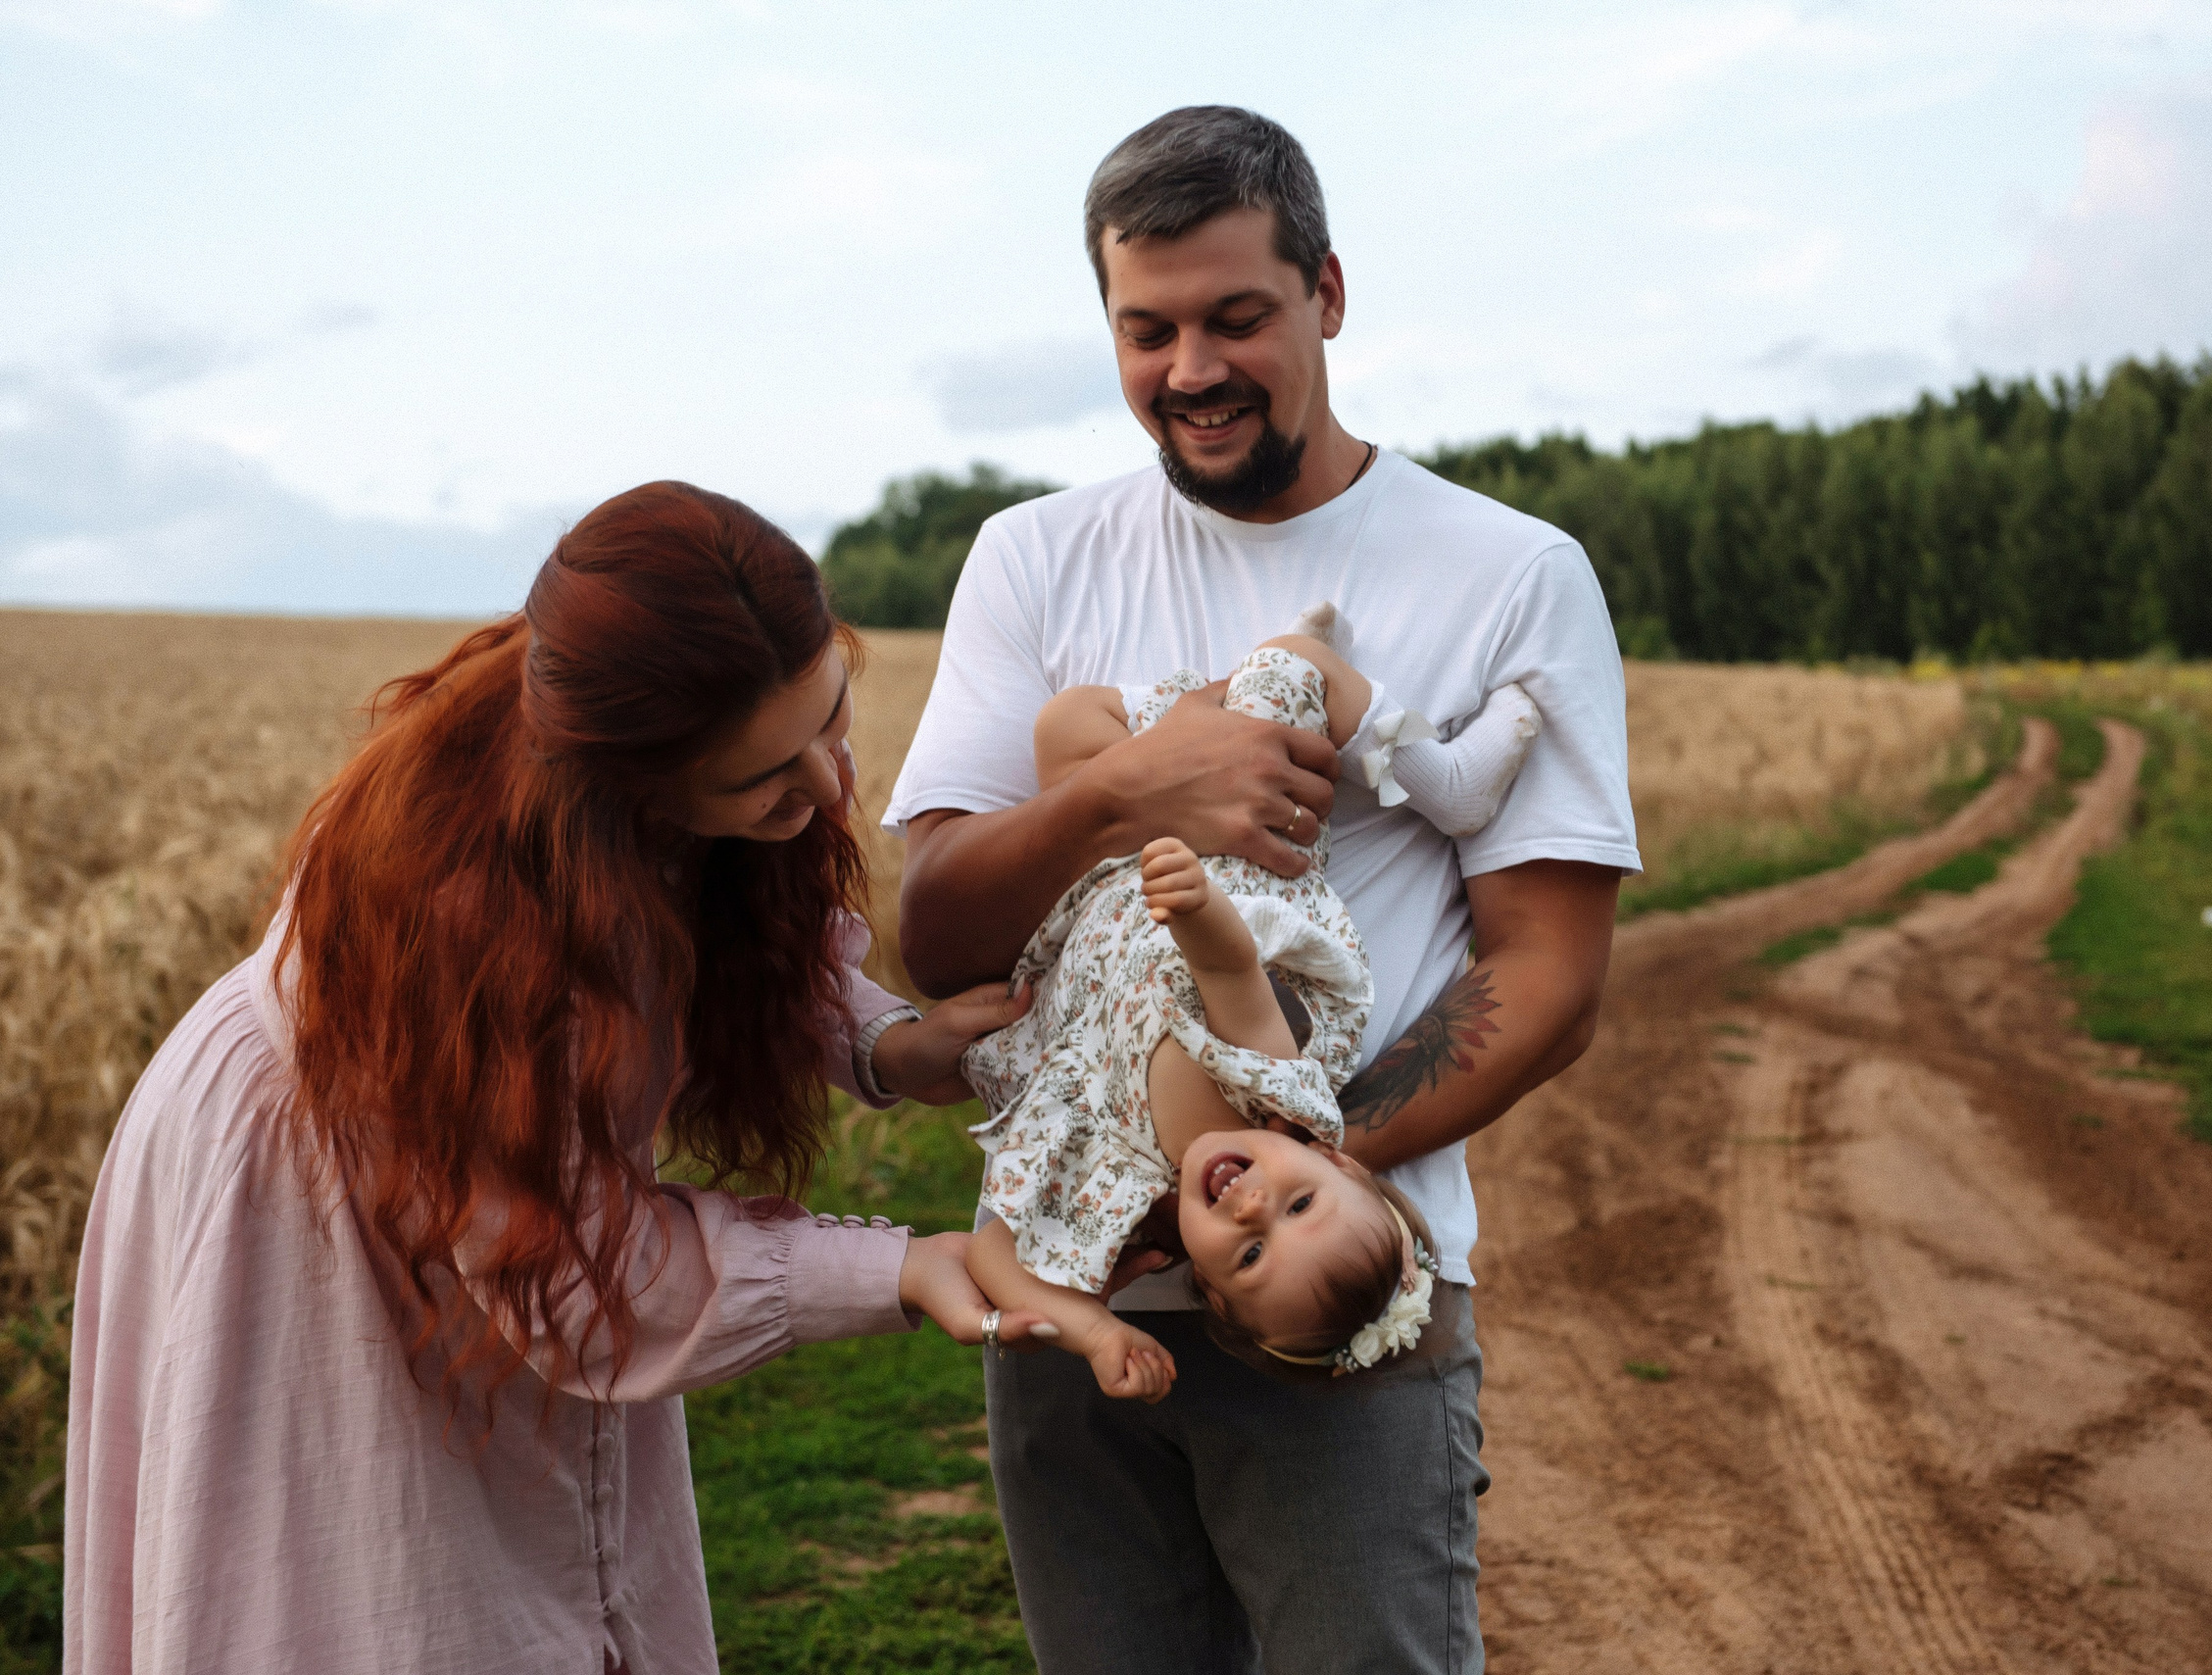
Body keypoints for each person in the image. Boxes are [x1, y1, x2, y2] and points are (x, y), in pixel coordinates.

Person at [885, 107, 1641, 1672]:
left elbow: (1549, 974)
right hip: (1074, 1305)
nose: (1192, 368)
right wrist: (1119, 790)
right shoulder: (1033, 558)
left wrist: (1276, 1182)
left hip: (1341, 1311)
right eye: (1146, 329)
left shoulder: (1511, 573)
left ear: (1328, 295)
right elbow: (937, 924)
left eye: (1238, 317)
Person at [63, 481, 1043, 1675]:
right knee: (380, 1588)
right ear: (624, 786)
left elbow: (729, 931)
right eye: (763, 776)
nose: (829, 791)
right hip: (303, 1207)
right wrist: (902, 1265)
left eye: (830, 719)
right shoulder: (467, 921)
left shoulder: (627, 752)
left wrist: (887, 1047)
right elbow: (590, 1288)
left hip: (477, 1185)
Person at [959, 622, 1541, 1401]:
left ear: (1212, 1289)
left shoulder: (1118, 1196)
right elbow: (1231, 969)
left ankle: (1223, 708)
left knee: (1063, 726)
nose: (1254, 1206)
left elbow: (995, 1250)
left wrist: (1096, 1328)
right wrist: (1197, 904)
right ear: (1331, 1158)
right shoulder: (1272, 1100)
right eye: (1301, 1200)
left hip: (1118, 861)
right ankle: (1450, 779)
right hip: (1234, 851)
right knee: (1286, 666)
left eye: (1251, 1253)